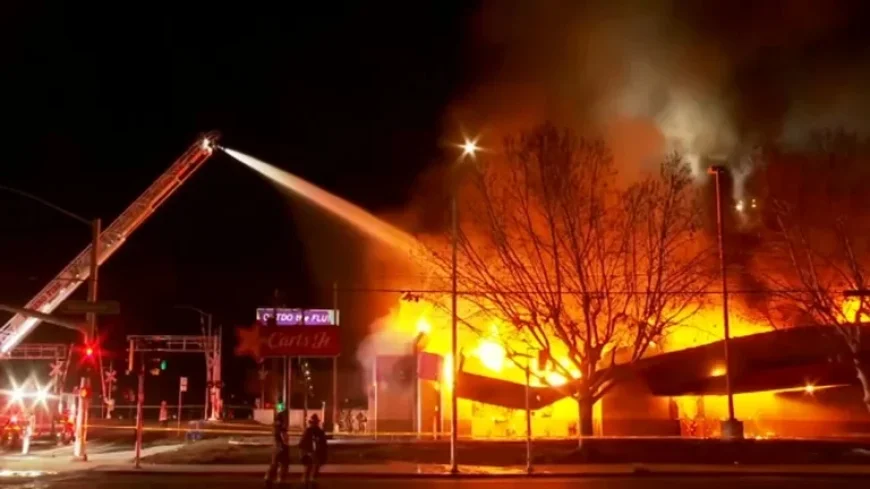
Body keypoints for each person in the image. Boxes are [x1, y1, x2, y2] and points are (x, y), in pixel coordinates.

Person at [299, 414, 327, 486]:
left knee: (313, 466)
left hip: (315, 452)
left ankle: (309, 480)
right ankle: (307, 480)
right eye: (313, 422)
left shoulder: (319, 431)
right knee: (311, 466)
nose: (314, 424)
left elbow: (323, 443)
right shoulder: (309, 431)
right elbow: (302, 443)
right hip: (309, 452)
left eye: (315, 422)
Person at [265, 408, 290, 488]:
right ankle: (281, 481)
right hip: (282, 448)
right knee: (284, 465)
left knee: (274, 464)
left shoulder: (275, 427)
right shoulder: (282, 428)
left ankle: (268, 479)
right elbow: (285, 439)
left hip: (276, 448)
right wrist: (286, 444)